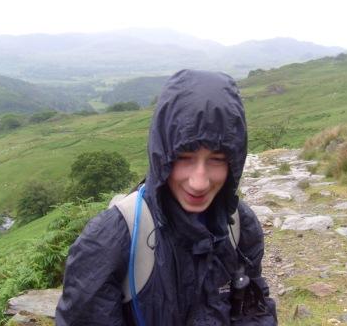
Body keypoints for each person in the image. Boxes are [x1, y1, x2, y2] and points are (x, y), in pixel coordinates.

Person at [56, 69, 277, 325]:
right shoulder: (111, 239)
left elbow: (253, 311)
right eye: (184, 158)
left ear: (234, 161)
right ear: (162, 154)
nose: (199, 182)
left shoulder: (239, 226)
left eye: (217, 159)